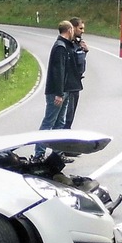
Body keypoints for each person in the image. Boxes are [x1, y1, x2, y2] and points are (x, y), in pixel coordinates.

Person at [34, 20, 75, 160]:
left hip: (64, 90)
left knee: (60, 123)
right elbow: (58, 71)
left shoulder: (65, 46)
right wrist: (58, 93)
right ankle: (39, 153)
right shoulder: (60, 47)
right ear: (69, 30)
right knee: (49, 122)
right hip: (57, 92)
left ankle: (57, 154)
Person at [62, 17, 89, 129]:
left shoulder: (78, 43)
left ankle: (64, 141)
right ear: (72, 28)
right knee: (64, 118)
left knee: (70, 117)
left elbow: (78, 63)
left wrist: (85, 52)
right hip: (68, 85)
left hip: (76, 83)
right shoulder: (67, 44)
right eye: (80, 28)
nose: (82, 31)